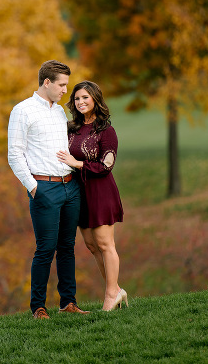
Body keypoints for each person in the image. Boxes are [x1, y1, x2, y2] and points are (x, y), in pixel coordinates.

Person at [8, 60, 89, 319]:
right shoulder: (23, 111)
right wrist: (33, 188)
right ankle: (38, 307)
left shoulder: (58, 112)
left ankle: (68, 302)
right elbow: (15, 154)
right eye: (62, 85)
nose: (66, 90)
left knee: (67, 247)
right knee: (45, 248)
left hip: (69, 186)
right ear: (47, 83)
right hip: (44, 188)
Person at [57, 80, 127, 311]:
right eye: (77, 98)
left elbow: (106, 165)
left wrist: (76, 163)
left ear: (96, 99)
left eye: (85, 97)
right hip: (78, 192)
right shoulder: (71, 128)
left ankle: (110, 295)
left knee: (106, 244)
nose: (81, 102)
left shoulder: (106, 130)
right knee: (91, 245)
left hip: (100, 191)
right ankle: (116, 290)